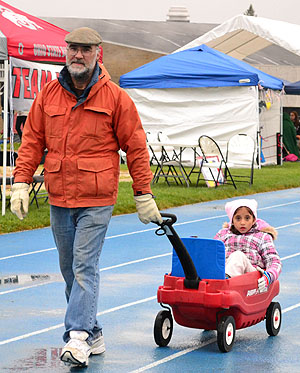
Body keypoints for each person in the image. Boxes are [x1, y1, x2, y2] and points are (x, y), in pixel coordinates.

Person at [10, 27, 162, 368]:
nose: (78, 55)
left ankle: (76, 338)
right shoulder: (48, 94)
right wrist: (21, 181)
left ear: (98, 53)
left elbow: (136, 146)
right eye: (73, 48)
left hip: (97, 198)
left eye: (85, 49)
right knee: (69, 269)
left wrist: (143, 193)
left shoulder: (116, 98)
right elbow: (32, 139)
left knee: (83, 267)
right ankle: (93, 331)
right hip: (59, 197)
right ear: (67, 52)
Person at [214, 199, 281, 291]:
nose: (242, 222)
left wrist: (269, 275)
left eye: (247, 218)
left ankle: (225, 283)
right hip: (225, 270)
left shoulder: (262, 237)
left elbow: (274, 260)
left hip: (251, 276)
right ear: (232, 221)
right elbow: (212, 253)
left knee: (238, 256)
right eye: (238, 218)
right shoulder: (223, 234)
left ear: (254, 220)